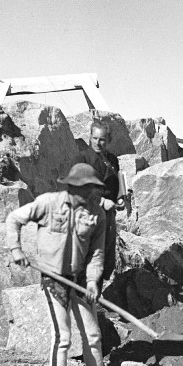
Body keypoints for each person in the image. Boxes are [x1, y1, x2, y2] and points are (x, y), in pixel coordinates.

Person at [6, 162, 125, 366]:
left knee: (92, 335)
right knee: (62, 337)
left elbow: (97, 253)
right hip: (54, 279)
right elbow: (14, 219)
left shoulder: (96, 214)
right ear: (72, 186)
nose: (89, 193)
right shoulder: (48, 203)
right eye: (84, 188)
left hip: (81, 281)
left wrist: (93, 281)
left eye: (92, 188)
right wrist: (15, 249)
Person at [73, 120, 127, 282]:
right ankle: (83, 299)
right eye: (94, 138)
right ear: (89, 138)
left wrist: (121, 197)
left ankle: (96, 298)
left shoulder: (112, 160)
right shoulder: (82, 159)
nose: (98, 143)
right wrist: (102, 202)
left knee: (105, 258)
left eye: (102, 139)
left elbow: (117, 183)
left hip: (108, 217)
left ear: (108, 141)